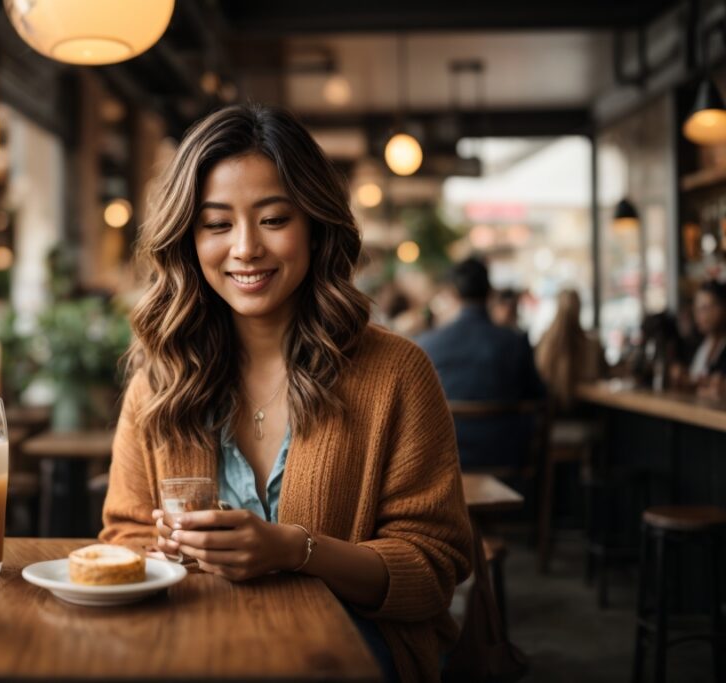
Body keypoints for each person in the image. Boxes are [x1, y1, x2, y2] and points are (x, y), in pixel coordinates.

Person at [100, 105, 473, 683]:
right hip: (192, 641)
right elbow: (124, 536)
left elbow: (432, 570)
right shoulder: (160, 379)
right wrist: (164, 553)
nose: (246, 248)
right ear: (188, 239)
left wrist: (293, 550)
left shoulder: (397, 373)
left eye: (273, 219)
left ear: (316, 223)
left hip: (353, 646)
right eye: (217, 224)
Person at [416, 258, 546, 468]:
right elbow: (539, 395)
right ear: (489, 293)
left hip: (442, 459)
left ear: (454, 294)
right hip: (506, 457)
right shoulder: (514, 342)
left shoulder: (427, 345)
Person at [535, 289, 605, 412]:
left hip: (550, 420)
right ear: (579, 308)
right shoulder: (592, 346)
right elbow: (603, 374)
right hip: (586, 416)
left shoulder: (543, 343)